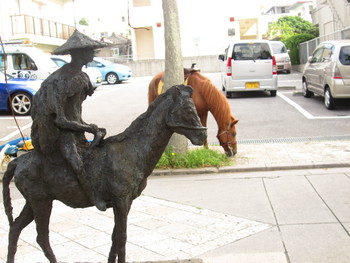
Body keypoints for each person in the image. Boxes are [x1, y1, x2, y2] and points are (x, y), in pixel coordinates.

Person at [31, 30, 108, 211]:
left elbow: (74, 111)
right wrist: (87, 129)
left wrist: (87, 126)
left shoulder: (82, 77)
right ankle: (94, 197)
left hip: (76, 128)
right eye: (89, 50)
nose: (92, 53)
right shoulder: (61, 80)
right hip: (62, 133)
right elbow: (61, 120)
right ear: (79, 53)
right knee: (76, 162)